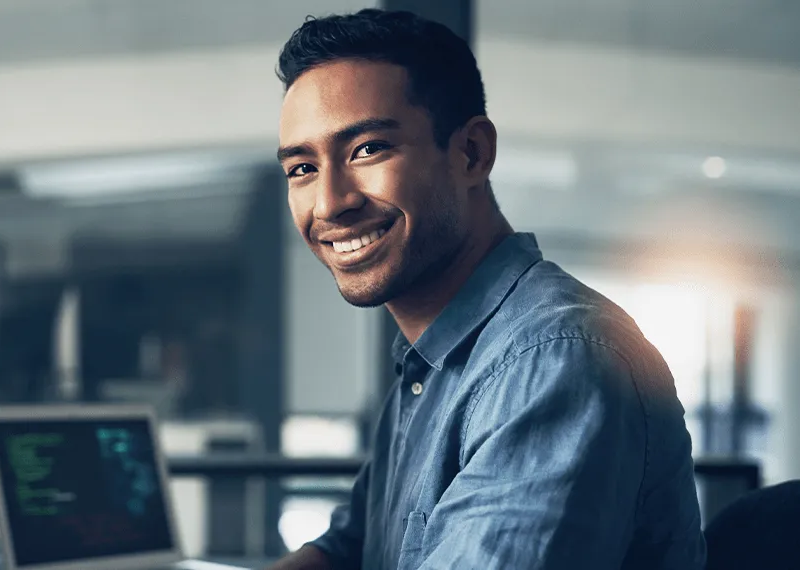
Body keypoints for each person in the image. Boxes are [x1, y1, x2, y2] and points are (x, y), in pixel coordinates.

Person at [268, 8, 705, 570]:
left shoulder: (554, 360)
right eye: (301, 168)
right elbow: (350, 551)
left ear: (471, 153)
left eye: (368, 149)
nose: (329, 202)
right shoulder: (431, 361)